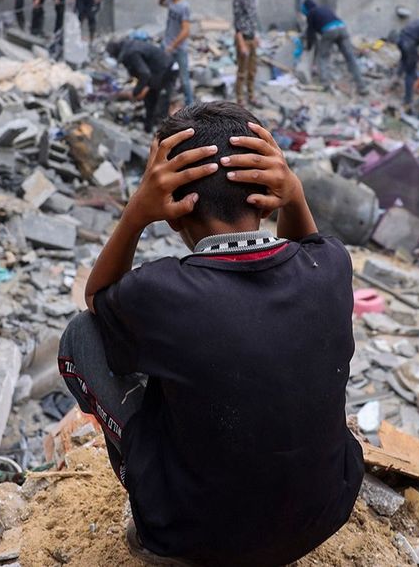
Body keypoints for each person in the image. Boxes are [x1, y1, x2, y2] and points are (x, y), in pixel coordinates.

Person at [58, 101, 363, 566]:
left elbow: (95, 298)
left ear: (173, 212)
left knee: (82, 336)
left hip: (191, 538)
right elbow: (310, 248)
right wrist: (295, 196)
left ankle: (151, 493)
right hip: (321, 517)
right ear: (268, 191)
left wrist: (136, 213)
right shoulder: (333, 267)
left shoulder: (159, 291)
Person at [106, 37, 179, 132]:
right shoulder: (130, 46)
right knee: (150, 100)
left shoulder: (131, 53)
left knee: (162, 103)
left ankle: (163, 133)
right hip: (158, 72)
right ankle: (148, 129)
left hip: (167, 70)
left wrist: (136, 92)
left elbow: (144, 74)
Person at [301, 0, 368, 96]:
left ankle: (325, 84)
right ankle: (362, 86)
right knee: (350, 58)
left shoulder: (311, 13)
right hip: (342, 28)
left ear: (306, 8)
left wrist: (308, 46)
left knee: (323, 57)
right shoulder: (324, 9)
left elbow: (310, 33)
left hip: (329, 30)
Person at [159, 0, 194, 105]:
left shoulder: (184, 6)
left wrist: (173, 45)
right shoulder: (171, 2)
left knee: (184, 79)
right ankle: (165, 102)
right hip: (167, 45)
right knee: (165, 75)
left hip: (178, 48)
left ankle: (190, 105)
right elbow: (160, 2)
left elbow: (186, 31)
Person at [232, 0, 261, 106]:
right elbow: (237, 23)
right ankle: (240, 98)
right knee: (242, 71)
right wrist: (241, 43)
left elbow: (252, 19)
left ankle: (251, 95)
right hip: (243, 39)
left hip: (251, 37)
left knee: (252, 70)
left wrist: (255, 36)